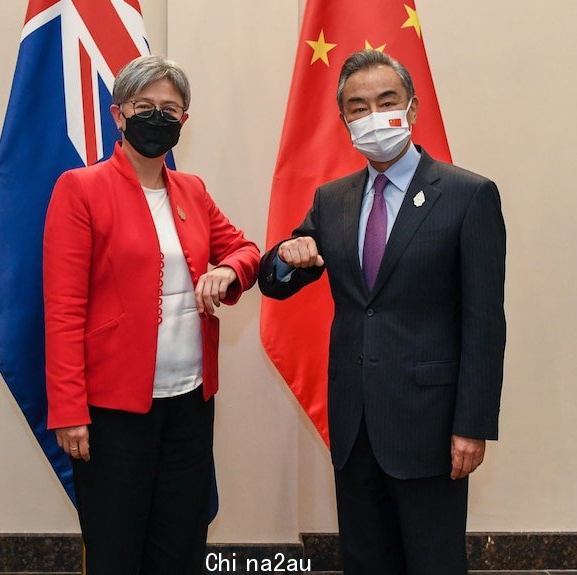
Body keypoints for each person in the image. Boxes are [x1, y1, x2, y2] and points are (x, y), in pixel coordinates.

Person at [259, 49, 506, 574]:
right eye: (358, 107)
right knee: (365, 560)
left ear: (412, 110)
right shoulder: (333, 200)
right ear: (344, 120)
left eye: (386, 101)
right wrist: (284, 257)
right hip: (354, 425)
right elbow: (277, 284)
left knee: (432, 561)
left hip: (431, 428)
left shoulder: (468, 195)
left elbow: (485, 323)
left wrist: (473, 424)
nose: (373, 116)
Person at [43, 55, 260, 574]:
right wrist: (70, 408)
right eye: (146, 107)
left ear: (183, 122)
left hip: (189, 401)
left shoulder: (193, 191)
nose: (158, 117)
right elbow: (63, 310)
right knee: (116, 547)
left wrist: (228, 272)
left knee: (182, 542)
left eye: (171, 109)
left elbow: (247, 250)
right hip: (113, 409)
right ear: (119, 114)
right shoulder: (81, 189)